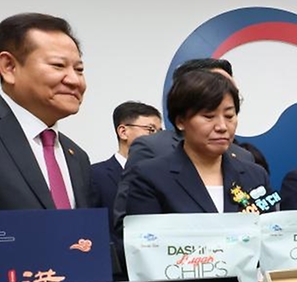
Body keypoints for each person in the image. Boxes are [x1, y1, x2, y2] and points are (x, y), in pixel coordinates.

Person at [113, 58, 253, 226]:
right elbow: (133, 234)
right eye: (209, 116)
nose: (222, 126)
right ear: (180, 120)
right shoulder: (150, 173)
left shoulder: (253, 172)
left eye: (229, 116)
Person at [0, 12, 93, 210]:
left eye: (79, 69)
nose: (75, 81)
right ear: (9, 67)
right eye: (58, 66)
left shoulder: (77, 157)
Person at [91, 101, 162, 217]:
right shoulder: (95, 175)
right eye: (151, 130)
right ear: (123, 132)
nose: (158, 137)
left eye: (160, 132)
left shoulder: (163, 176)